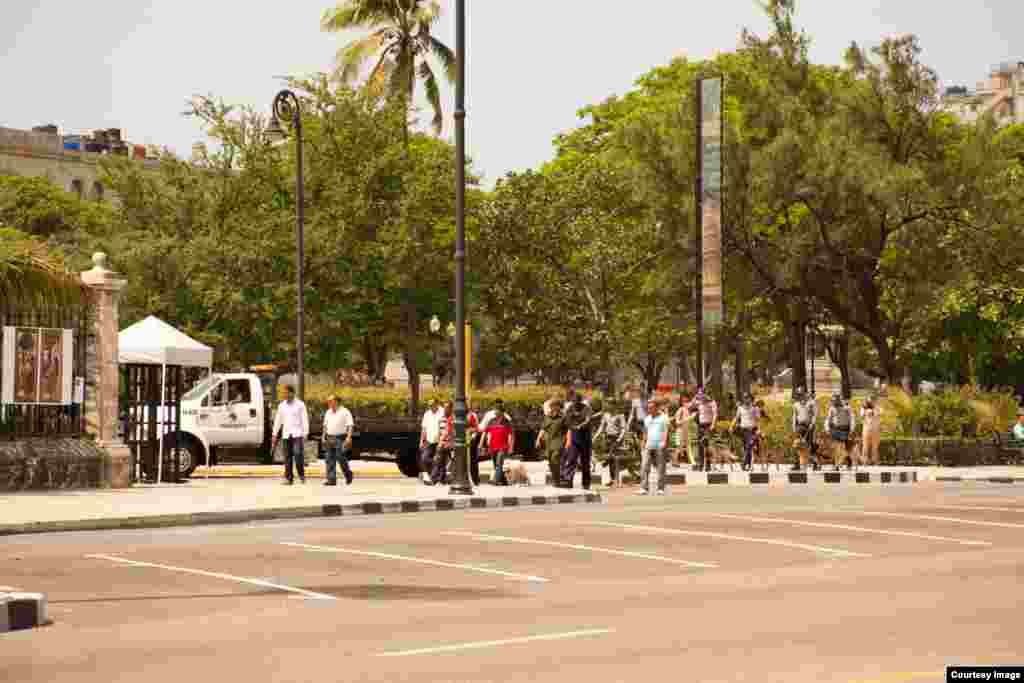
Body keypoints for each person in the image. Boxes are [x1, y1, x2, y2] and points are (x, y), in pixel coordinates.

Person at [271, 385, 310, 485]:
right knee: (287, 457)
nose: (284, 395)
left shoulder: (300, 405)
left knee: (298, 455)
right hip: (286, 434)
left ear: (292, 393)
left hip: (297, 434)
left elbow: (304, 419)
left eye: (286, 393)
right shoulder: (281, 405)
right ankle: (288, 478)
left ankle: (301, 474)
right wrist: (274, 434)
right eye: (283, 393)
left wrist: (305, 433)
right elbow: (278, 421)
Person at [562, 390, 595, 489]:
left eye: (577, 401)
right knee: (572, 459)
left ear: (580, 401)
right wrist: (572, 425)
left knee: (585, 462)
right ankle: (568, 481)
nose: (575, 402)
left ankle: (586, 483)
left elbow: (588, 419)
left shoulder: (586, 408)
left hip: (585, 438)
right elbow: (567, 420)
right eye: (573, 401)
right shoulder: (570, 408)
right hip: (575, 438)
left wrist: (581, 425)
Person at [638, 400, 670, 495]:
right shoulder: (647, 419)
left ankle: (661, 488)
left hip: (660, 445)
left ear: (657, 407)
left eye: (651, 407)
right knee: (644, 466)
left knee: (661, 468)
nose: (649, 409)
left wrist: (664, 442)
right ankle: (644, 488)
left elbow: (666, 431)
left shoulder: (664, 417)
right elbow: (645, 432)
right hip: (648, 445)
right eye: (648, 408)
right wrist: (643, 444)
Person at [322, 395, 354, 486]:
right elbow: (325, 425)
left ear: (336, 402)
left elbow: (350, 425)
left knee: (341, 457)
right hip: (329, 437)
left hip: (340, 437)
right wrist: (323, 436)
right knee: (329, 459)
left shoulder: (345, 411)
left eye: (330, 401)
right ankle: (331, 479)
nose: (328, 403)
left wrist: (348, 437)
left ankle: (348, 474)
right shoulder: (328, 412)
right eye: (328, 401)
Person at [594, 400, 627, 486]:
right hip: (608, 438)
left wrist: (619, 439)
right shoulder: (606, 415)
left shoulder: (620, 415)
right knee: (612, 460)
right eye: (607, 404)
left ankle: (615, 478)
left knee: (612, 457)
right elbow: (601, 427)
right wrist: (595, 437)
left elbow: (623, 428)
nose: (608, 406)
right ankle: (612, 479)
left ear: (614, 405)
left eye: (610, 404)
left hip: (616, 438)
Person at [536, 397, 567, 486]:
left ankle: (557, 480)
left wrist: (568, 441)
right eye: (551, 406)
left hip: (559, 441)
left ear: (559, 406)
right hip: (548, 442)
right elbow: (543, 429)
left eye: (554, 405)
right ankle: (556, 479)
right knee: (551, 462)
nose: (552, 407)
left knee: (555, 459)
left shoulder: (563, 417)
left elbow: (569, 430)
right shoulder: (548, 417)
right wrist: (538, 439)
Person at [688, 388, 718, 471]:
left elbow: (715, 414)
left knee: (707, 445)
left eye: (701, 394)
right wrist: (695, 398)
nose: (700, 396)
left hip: (708, 425)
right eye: (699, 394)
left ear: (705, 394)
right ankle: (701, 464)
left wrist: (713, 424)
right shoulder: (699, 403)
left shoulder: (712, 402)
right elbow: (689, 406)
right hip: (701, 425)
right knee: (700, 444)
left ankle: (708, 464)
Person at [825, 393, 856, 470]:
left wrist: (852, 429)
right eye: (833, 401)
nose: (833, 402)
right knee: (837, 448)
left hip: (845, 430)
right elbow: (828, 419)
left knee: (843, 449)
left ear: (839, 401)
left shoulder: (847, 408)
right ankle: (837, 464)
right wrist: (827, 428)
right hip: (835, 429)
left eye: (835, 401)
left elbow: (852, 418)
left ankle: (845, 462)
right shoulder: (832, 408)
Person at [483, 413, 514, 485]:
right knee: (496, 465)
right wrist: (481, 444)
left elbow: (512, 434)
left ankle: (495, 480)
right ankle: (503, 480)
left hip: (503, 447)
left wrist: (511, 447)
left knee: (499, 463)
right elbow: (485, 432)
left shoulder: (507, 422)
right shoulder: (491, 421)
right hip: (492, 447)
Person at [791, 388, 819, 471]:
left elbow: (814, 415)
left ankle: (815, 463)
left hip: (809, 426)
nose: (800, 396)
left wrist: (812, 423)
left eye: (801, 394)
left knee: (810, 445)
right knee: (797, 444)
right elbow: (795, 416)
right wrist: (793, 426)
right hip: (799, 426)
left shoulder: (811, 403)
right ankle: (797, 463)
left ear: (805, 394)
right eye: (799, 394)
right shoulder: (796, 404)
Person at [731, 393, 760, 471]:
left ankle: (744, 463)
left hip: (752, 430)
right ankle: (748, 464)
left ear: (751, 399)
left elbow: (758, 420)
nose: (746, 399)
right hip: (743, 430)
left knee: (749, 446)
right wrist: (731, 426)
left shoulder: (755, 408)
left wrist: (759, 430)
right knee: (746, 447)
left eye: (747, 398)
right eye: (744, 398)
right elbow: (736, 418)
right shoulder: (740, 408)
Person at [419, 399, 444, 485]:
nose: (430, 407)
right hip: (429, 440)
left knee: (439, 459)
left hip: (439, 440)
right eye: (429, 405)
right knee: (424, 458)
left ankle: (434, 479)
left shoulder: (442, 412)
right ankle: (429, 475)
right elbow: (424, 428)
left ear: (437, 404)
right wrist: (421, 441)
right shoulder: (427, 414)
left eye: (432, 405)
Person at [432, 401, 454, 485]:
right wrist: (439, 441)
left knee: (442, 461)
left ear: (451, 409)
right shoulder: (441, 419)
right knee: (440, 461)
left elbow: (449, 432)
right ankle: (440, 479)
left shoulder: (453, 419)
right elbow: (440, 431)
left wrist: (443, 442)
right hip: (442, 442)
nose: (445, 409)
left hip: (449, 443)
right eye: (444, 407)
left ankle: (437, 478)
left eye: (447, 407)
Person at [860, 396, 883, 466]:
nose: (870, 403)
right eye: (869, 401)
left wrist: (874, 409)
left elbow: (880, 412)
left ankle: (875, 461)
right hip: (866, 429)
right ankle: (865, 461)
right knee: (865, 446)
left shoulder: (878, 408)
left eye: (872, 401)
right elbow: (861, 415)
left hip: (875, 429)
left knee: (875, 447)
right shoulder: (863, 408)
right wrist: (866, 410)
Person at [673, 394, 692, 467]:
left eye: (687, 401)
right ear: (681, 402)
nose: (686, 403)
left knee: (686, 446)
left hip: (686, 430)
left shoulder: (687, 410)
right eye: (684, 401)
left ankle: (691, 461)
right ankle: (675, 461)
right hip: (680, 430)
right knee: (679, 446)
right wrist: (688, 418)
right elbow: (677, 422)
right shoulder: (680, 410)